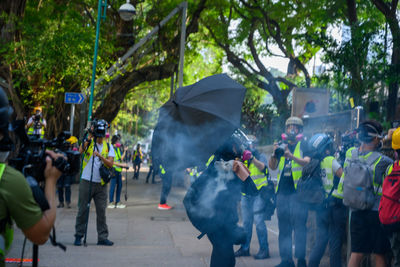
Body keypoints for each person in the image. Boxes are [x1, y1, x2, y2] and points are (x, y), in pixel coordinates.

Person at [0, 87, 63, 264]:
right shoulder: (7, 180)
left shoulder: (42, 120)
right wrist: (50, 180)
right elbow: (41, 234)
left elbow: (44, 126)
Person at [184, 136, 259, 267]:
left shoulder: (221, 166)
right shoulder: (226, 168)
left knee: (227, 257)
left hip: (220, 224)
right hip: (218, 224)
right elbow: (252, 190)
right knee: (223, 258)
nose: (240, 150)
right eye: (237, 147)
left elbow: (251, 191)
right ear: (231, 148)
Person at [338, 120, 392, 267]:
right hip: (376, 212)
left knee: (356, 254)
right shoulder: (384, 161)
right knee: (378, 253)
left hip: (355, 210)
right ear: (375, 139)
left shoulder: (350, 155)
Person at [269, 116, 310, 267]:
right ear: (285, 129)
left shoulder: (304, 144)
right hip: (282, 193)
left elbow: (306, 162)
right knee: (283, 227)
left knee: (299, 227)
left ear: (300, 130)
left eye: (295, 127)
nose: (291, 129)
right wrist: (274, 153)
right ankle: (286, 260)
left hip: (298, 193)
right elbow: (272, 167)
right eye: (289, 127)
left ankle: (300, 260)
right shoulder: (281, 145)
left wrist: (291, 156)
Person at [305, 134, 346, 267]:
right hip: (334, 206)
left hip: (320, 207)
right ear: (326, 149)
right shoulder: (329, 160)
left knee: (321, 240)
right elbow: (343, 175)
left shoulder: (314, 162)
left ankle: (312, 264)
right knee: (335, 242)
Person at [74, 119, 115, 246]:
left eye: (102, 136)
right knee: (82, 210)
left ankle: (102, 237)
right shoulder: (89, 143)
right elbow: (79, 152)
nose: (100, 138)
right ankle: (78, 235)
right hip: (87, 181)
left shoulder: (109, 147)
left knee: (101, 211)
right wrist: (88, 137)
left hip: (101, 184)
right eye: (99, 135)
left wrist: (101, 157)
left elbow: (110, 163)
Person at [234, 149, 271, 260]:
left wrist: (252, 158)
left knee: (259, 221)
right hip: (245, 194)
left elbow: (264, 169)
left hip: (259, 193)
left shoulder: (260, 155)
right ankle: (245, 248)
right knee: (246, 223)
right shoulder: (241, 158)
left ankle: (264, 250)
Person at [56, 135, 78, 209]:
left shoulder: (71, 152)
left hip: (67, 172)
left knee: (67, 186)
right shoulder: (58, 152)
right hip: (60, 171)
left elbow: (73, 162)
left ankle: (68, 202)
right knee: (59, 187)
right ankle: (61, 202)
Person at [108, 134, 128, 209]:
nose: (119, 142)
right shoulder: (111, 148)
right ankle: (111, 202)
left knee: (119, 186)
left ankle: (118, 202)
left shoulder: (117, 149)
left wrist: (125, 151)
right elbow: (112, 161)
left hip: (118, 171)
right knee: (112, 187)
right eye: (118, 140)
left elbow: (121, 158)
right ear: (115, 141)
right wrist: (122, 165)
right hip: (113, 170)